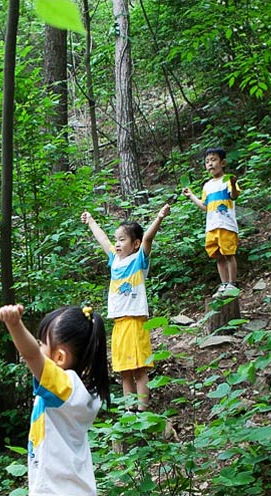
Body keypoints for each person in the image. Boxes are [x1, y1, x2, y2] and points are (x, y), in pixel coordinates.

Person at [0, 304, 108, 496]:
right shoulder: (80, 393)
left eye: (41, 345)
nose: (38, 349)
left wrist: (15, 325)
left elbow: (31, 355)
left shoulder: (64, 388)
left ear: (59, 357)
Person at [81, 205, 170, 410]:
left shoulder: (139, 260)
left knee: (139, 369)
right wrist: (91, 221)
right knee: (124, 371)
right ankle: (129, 412)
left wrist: (159, 217)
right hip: (119, 323)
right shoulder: (114, 260)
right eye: (117, 240)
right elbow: (103, 239)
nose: (117, 244)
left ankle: (143, 410)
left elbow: (148, 239)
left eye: (123, 240)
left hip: (135, 320)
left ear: (135, 243)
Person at [183, 147, 241, 298]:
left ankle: (232, 283)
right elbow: (204, 206)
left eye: (213, 160)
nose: (210, 164)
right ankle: (223, 284)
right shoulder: (207, 186)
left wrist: (234, 184)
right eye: (207, 161)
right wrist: (191, 196)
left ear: (223, 163)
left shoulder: (227, 180)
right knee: (218, 256)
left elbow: (234, 196)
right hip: (212, 225)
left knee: (229, 253)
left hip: (226, 224)